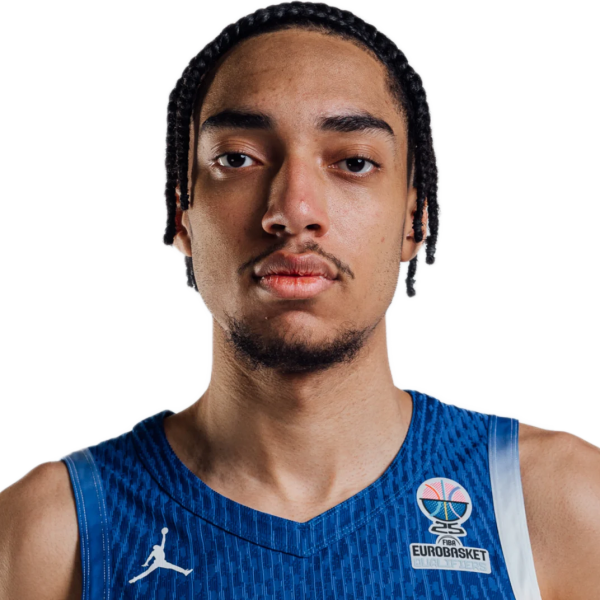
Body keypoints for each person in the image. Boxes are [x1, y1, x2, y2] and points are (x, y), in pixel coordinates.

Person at [1, 2, 599, 599]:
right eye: (237, 159)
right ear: (182, 214)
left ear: (415, 220)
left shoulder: (556, 506)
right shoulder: (47, 536)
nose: (294, 210)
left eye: (354, 162)